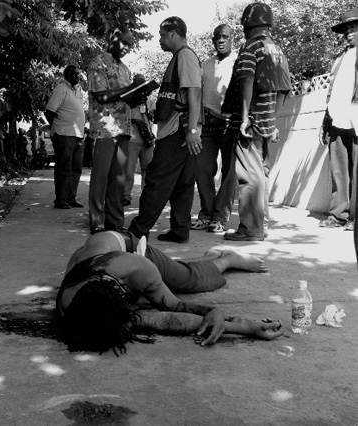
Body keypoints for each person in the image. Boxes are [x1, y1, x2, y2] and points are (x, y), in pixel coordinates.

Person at [56, 229, 283, 354]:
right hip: (95, 255)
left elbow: (174, 307)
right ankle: (205, 258)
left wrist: (213, 310)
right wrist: (244, 327)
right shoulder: (70, 304)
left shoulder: (138, 269)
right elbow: (159, 321)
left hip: (125, 245)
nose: (131, 324)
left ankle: (228, 259)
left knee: (189, 281)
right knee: (171, 273)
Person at [220, 3, 291, 242]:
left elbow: (246, 80)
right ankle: (263, 224)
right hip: (266, 122)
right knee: (261, 173)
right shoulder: (276, 49)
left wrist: (244, 117)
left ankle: (251, 229)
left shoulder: (251, 47)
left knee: (249, 175)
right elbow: (283, 89)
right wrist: (273, 121)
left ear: (247, 24)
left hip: (250, 122)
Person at [128, 17, 202, 244]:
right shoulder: (180, 57)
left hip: (177, 132)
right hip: (181, 131)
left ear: (173, 33)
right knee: (183, 184)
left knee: (156, 181)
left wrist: (192, 130)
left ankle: (137, 231)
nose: (159, 39)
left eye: (162, 35)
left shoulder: (185, 56)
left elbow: (194, 93)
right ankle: (180, 230)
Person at [87, 28, 140, 234]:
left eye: (130, 45)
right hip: (104, 130)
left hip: (123, 129)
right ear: (113, 39)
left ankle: (115, 222)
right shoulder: (98, 63)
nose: (127, 48)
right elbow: (101, 96)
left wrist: (139, 92)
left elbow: (127, 98)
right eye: (124, 43)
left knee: (118, 180)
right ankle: (97, 222)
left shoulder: (125, 69)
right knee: (100, 178)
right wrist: (130, 88)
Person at [191, 24, 238, 234]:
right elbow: (198, 95)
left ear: (231, 39)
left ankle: (220, 217)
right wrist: (196, 125)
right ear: (212, 40)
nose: (221, 40)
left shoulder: (238, 61)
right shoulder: (206, 64)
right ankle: (206, 214)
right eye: (217, 37)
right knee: (202, 168)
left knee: (230, 172)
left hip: (230, 123)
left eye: (225, 37)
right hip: (208, 123)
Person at [318, 8, 358, 232]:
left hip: (356, 119)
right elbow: (332, 92)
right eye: (346, 29)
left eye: (353, 27)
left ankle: (355, 218)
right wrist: (326, 120)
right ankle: (338, 215)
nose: (349, 32)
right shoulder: (340, 59)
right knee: (339, 170)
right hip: (338, 119)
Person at [45, 65, 86, 209]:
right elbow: (49, 112)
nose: (77, 76)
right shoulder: (61, 89)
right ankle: (61, 199)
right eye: (74, 74)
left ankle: (71, 198)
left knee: (76, 168)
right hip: (64, 134)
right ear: (67, 75)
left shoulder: (77, 90)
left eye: (78, 74)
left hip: (77, 135)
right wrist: (56, 127)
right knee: (64, 167)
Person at [123, 100, 155, 207]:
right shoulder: (128, 101)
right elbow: (122, 118)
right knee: (129, 169)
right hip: (132, 139)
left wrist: (150, 114)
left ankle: (146, 196)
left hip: (147, 139)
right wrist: (135, 120)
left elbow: (154, 117)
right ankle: (126, 195)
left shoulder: (149, 101)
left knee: (147, 169)